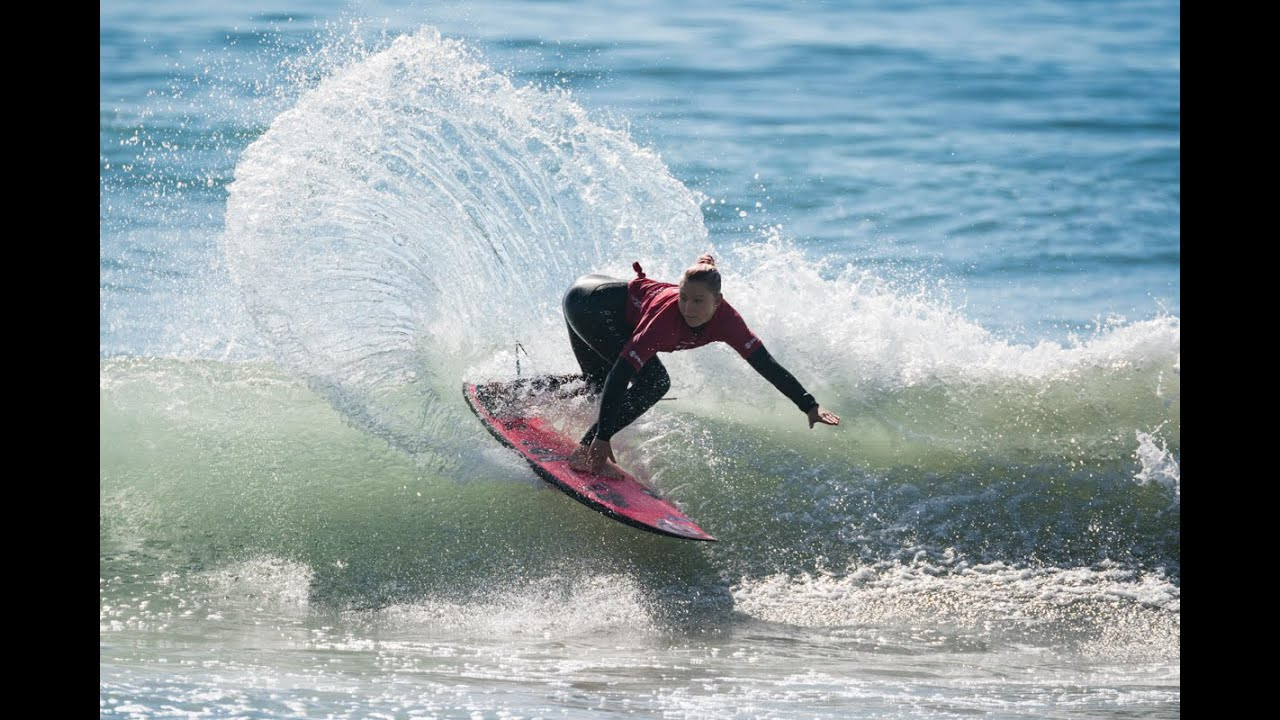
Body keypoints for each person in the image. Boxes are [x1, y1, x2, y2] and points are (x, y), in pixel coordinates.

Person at [562, 253, 840, 475]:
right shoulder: (665, 318)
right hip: (589, 304)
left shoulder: (728, 322)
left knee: (596, 384)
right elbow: (623, 373)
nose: (688, 308)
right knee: (654, 382)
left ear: (717, 302)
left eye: (698, 301)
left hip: (594, 296)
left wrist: (809, 405)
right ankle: (586, 453)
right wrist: (602, 437)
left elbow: (766, 365)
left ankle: (528, 392)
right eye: (683, 297)